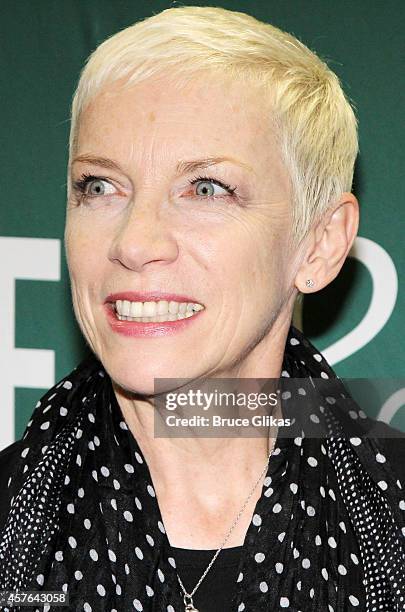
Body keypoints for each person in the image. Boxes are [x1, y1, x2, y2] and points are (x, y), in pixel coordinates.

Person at [1, 6, 404, 611]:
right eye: (99, 186)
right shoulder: (13, 518)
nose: (134, 243)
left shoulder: (391, 513)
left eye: (206, 188)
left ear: (319, 243)